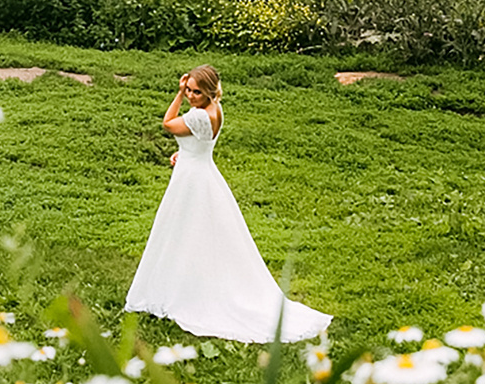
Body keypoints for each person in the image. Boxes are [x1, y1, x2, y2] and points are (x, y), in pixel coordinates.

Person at [124, 65, 331, 343]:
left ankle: (186, 291)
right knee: (192, 232)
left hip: (192, 181)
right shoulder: (216, 109)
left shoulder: (198, 115)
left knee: (186, 231)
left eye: (197, 92)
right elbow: (197, 144)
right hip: (200, 170)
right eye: (189, 90)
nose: (191, 96)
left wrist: (177, 94)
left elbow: (168, 123)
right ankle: (186, 282)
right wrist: (184, 153)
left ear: (209, 92)